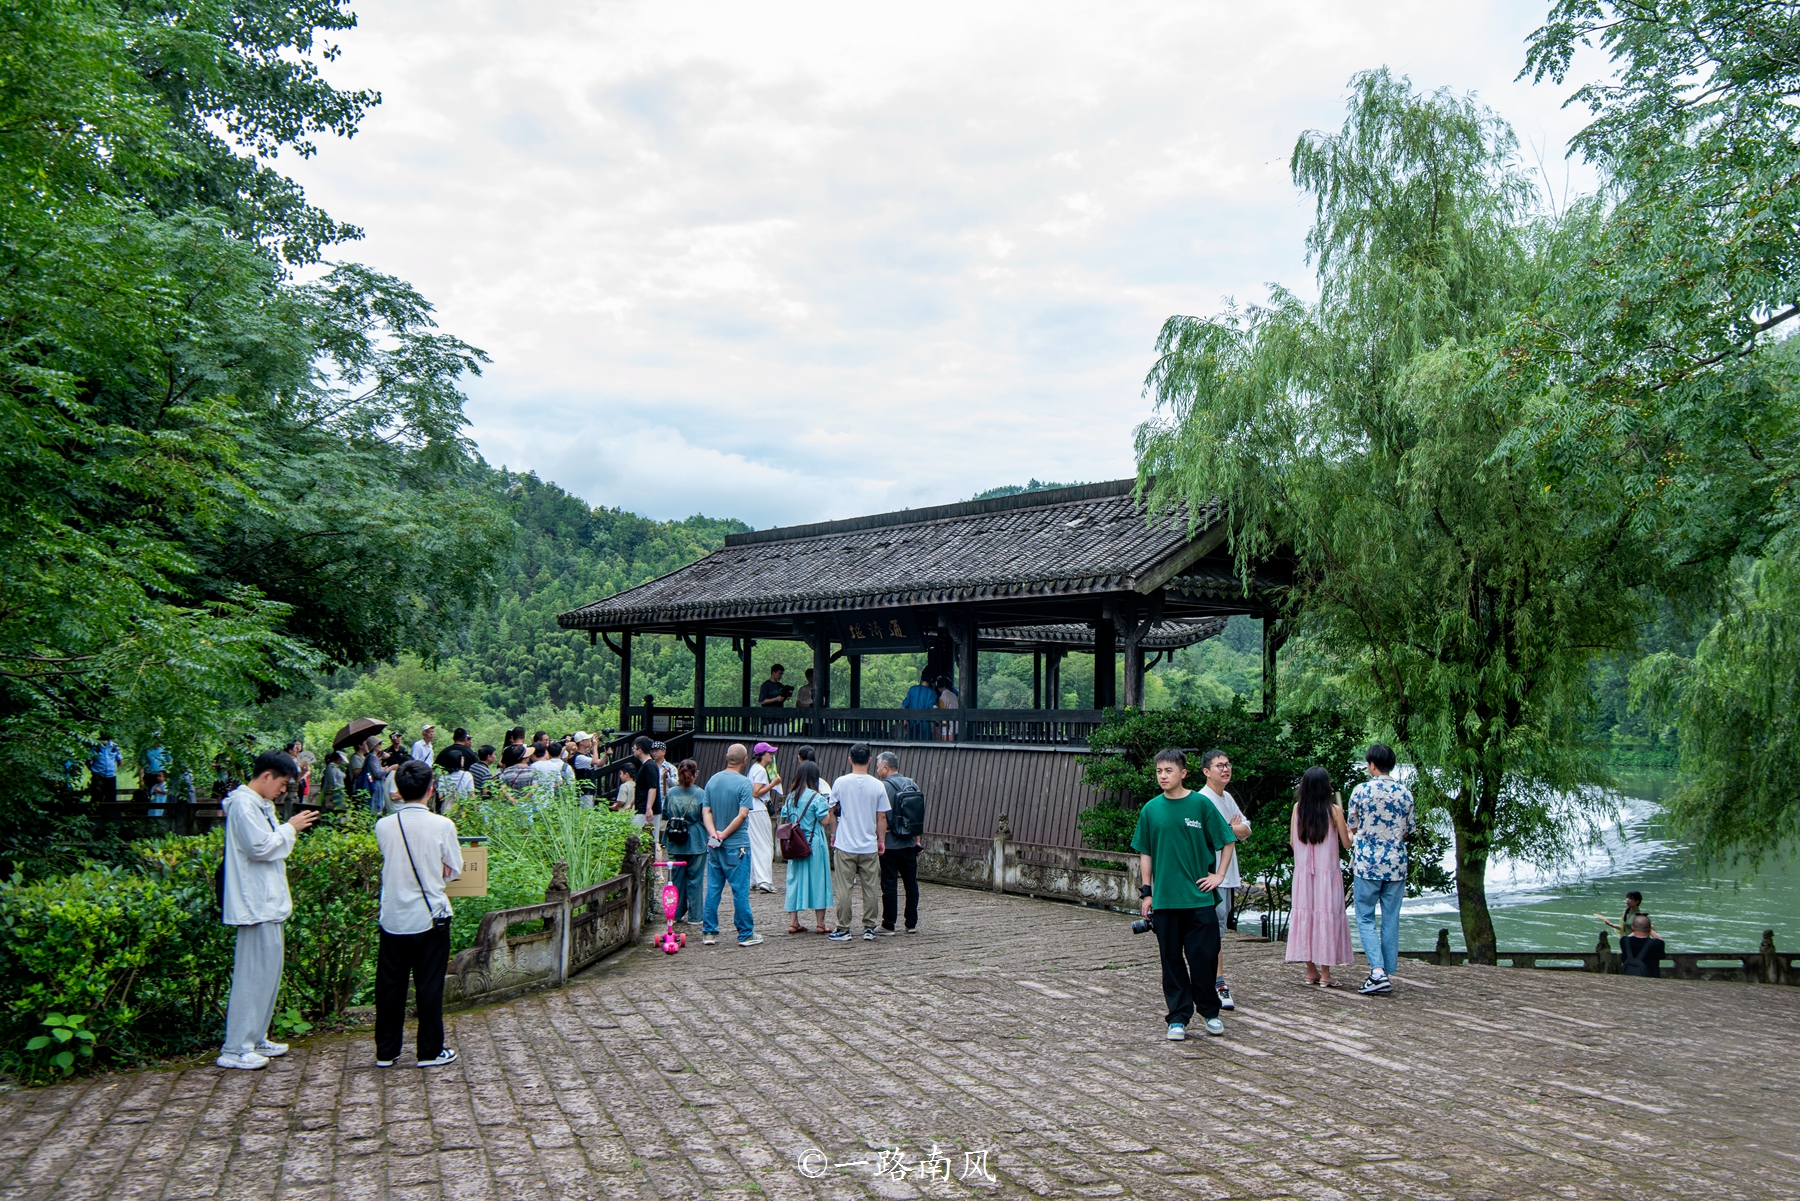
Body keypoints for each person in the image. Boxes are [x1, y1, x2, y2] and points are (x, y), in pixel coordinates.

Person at [217, 750, 320, 1069]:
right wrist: (291, 827)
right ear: (266, 776)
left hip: (268, 902)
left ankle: (256, 1036)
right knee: (252, 975)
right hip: (254, 904)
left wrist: (286, 828)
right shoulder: (243, 804)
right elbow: (260, 847)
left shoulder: (259, 804)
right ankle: (234, 1048)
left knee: (268, 975)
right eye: (283, 783)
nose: (283, 790)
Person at [1133, 748, 1237, 1041]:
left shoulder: (1201, 805)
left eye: (1168, 771)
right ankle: (1177, 1017)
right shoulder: (1151, 810)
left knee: (1203, 957)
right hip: (1165, 900)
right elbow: (1146, 852)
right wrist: (1147, 893)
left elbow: (1227, 841)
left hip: (1199, 898)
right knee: (1171, 961)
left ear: (1183, 773)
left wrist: (1219, 876)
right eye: (1158, 772)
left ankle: (1210, 1012)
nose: (1163, 776)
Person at [373, 760, 462, 1068]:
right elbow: (454, 869)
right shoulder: (443, 825)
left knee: (389, 985)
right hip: (430, 917)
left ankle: (386, 1051)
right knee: (429, 984)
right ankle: (429, 1051)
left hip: (394, 916)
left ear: (398, 789)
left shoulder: (384, 825)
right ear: (431, 789)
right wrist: (440, 870)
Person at [1345, 742, 1417, 995]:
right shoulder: (1405, 793)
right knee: (1391, 917)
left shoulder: (1361, 791)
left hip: (1367, 863)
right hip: (1396, 863)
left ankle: (1377, 971)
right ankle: (1387, 970)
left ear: (1372, 764)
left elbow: (1351, 826)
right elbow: (1408, 830)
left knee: (1365, 916)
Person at [1287, 766, 1355, 986]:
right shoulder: (1334, 810)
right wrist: (1351, 833)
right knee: (1326, 917)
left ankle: (1310, 970)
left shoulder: (1298, 808)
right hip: (1327, 875)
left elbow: (1292, 842)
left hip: (1303, 874)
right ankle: (1326, 974)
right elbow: (1346, 843)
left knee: (1306, 916)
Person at [1195, 749, 1252, 1010]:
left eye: (1228, 764)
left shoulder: (1226, 797)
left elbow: (1245, 830)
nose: (1225, 769)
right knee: (1211, 931)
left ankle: (1213, 981)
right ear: (1206, 772)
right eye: (1219, 765)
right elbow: (1213, 835)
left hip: (1227, 875)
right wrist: (1231, 828)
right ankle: (1217, 983)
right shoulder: (1201, 800)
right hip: (1211, 877)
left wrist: (1229, 828)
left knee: (1218, 930)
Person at [701, 743, 762, 947]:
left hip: (714, 844)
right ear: (745, 760)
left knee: (713, 888)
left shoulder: (712, 780)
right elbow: (743, 814)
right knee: (740, 890)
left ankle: (709, 931)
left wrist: (714, 834)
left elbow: (706, 811)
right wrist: (725, 834)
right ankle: (745, 933)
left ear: (727, 757)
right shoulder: (745, 783)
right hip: (737, 844)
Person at [828, 742, 889, 941]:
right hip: (869, 843)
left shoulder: (840, 782)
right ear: (870, 760)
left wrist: (834, 834)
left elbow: (832, 811)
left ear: (850, 760)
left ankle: (843, 928)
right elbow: (881, 818)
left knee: (844, 887)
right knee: (870, 887)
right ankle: (869, 927)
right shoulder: (878, 785)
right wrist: (881, 840)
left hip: (845, 843)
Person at [779, 761, 836, 933]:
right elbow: (825, 820)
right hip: (814, 842)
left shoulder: (790, 797)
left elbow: (785, 815)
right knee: (819, 880)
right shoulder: (816, 797)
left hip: (795, 842)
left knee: (794, 880)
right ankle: (820, 924)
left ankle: (793, 922)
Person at [874, 750, 924, 934]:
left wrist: (880, 837)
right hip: (909, 843)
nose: (877, 770)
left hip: (889, 844)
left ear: (886, 767)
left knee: (889, 884)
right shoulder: (912, 784)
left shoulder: (883, 787)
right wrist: (917, 841)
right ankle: (911, 923)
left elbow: (880, 817)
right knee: (911, 883)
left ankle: (889, 924)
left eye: (878, 767)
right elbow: (916, 816)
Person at [661, 760, 709, 924]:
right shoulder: (701, 794)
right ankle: (695, 916)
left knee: (676, 880)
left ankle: (676, 913)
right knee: (695, 879)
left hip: (675, 839)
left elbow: (666, 813)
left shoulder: (672, 793)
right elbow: (706, 817)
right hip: (696, 840)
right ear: (695, 774)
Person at [746, 742, 781, 893]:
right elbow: (756, 792)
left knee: (755, 844)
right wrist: (774, 783)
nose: (771, 755)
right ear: (762, 755)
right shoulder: (760, 770)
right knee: (765, 845)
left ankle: (754, 879)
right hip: (759, 809)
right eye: (769, 753)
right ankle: (765, 880)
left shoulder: (754, 768)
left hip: (752, 809)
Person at [1620, 913, 1665, 978]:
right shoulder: (1657, 944)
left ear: (1632, 927)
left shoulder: (1624, 941)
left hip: (1627, 979)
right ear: (1650, 928)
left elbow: (1628, 937)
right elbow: (1661, 940)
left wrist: (1636, 928)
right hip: (1650, 980)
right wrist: (1651, 930)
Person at [630, 735, 660, 826]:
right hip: (642, 808)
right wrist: (631, 804)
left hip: (647, 811)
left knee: (637, 836)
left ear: (640, 750)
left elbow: (653, 787)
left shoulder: (649, 766)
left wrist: (648, 808)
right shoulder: (645, 765)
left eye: (634, 748)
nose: (633, 750)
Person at [902, 670, 938, 740]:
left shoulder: (912, 689)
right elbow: (934, 709)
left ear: (921, 677)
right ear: (931, 679)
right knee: (924, 746)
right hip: (925, 725)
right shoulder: (932, 693)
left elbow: (906, 705)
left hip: (912, 722)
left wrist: (905, 720)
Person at [88, 733, 122, 802]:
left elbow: (120, 761)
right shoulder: (95, 747)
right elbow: (88, 761)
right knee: (96, 798)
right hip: (98, 777)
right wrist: (94, 770)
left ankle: (110, 813)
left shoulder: (114, 747)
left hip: (111, 777)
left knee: (111, 800)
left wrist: (112, 770)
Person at [934, 675, 960, 741]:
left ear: (939, 687)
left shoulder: (942, 698)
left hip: (948, 728)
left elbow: (941, 716)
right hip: (958, 725)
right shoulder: (953, 695)